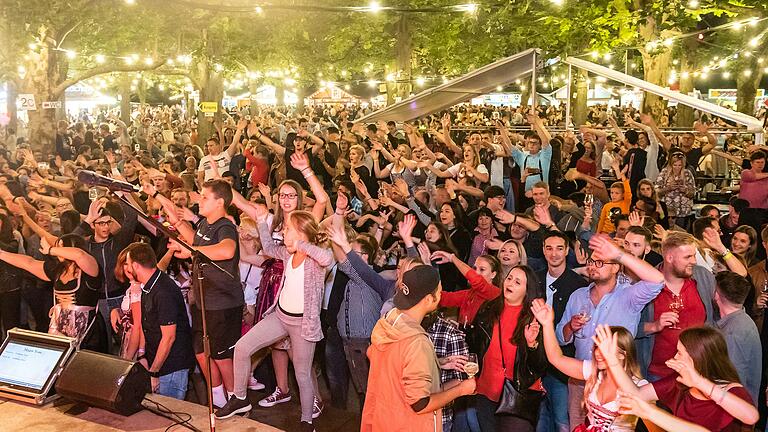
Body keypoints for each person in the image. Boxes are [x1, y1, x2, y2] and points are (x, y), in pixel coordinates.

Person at [216, 208, 332, 431]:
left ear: (300, 233)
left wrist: (303, 245)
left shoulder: (314, 261)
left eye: (288, 229)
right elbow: (268, 248)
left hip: (302, 325)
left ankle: (307, 421)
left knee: (302, 374)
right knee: (242, 347)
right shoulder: (287, 254)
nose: (284, 232)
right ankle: (240, 398)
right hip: (280, 316)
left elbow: (326, 257)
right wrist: (261, 222)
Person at [555, 234, 664, 430]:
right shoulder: (578, 296)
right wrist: (570, 327)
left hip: (617, 384)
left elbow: (657, 280)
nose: (593, 266)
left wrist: (619, 254)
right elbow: (560, 338)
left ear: (615, 267)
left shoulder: (629, 295)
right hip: (581, 379)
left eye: (600, 262)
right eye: (591, 261)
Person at [158, 179, 244, 409]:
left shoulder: (225, 226)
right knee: (200, 351)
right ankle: (218, 398)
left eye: (205, 197)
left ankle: (237, 398)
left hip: (223, 302)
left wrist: (191, 250)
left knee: (221, 355)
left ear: (220, 202)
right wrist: (157, 196)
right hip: (204, 301)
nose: (200, 200)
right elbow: (185, 230)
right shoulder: (206, 224)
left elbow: (227, 250)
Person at [362, 265, 476, 432]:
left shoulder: (388, 321)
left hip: (384, 419)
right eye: (439, 291)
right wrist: (461, 390)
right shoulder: (416, 341)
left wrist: (435, 362)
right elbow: (420, 404)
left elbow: (391, 364)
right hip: (408, 425)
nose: (440, 295)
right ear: (429, 299)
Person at [596, 324, 759, 432]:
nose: (674, 356)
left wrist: (700, 382)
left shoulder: (732, 390)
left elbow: (751, 416)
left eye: (680, 352)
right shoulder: (679, 382)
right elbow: (637, 394)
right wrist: (613, 363)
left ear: (698, 357)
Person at [532, 299, 647, 431]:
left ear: (622, 355)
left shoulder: (639, 387)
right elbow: (556, 358)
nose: (598, 353)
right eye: (597, 346)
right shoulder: (595, 372)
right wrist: (547, 324)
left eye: (605, 348)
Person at [467, 264, 546, 431]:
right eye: (509, 278)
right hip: (486, 391)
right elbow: (474, 345)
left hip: (518, 395)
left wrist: (532, 345)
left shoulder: (535, 318)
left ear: (527, 290)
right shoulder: (488, 309)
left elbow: (540, 366)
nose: (510, 284)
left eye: (517, 282)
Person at [0, 234, 105, 351]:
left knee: (86, 365)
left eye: (61, 247)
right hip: (61, 326)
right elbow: (29, 263)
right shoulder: (58, 270)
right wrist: (2, 254)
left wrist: (51, 250)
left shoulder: (90, 270)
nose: (58, 251)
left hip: (88, 329)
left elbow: (79, 255)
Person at [123, 242, 194, 400]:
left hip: (171, 368)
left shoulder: (163, 292)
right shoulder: (151, 282)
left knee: (171, 417)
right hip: (161, 364)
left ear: (135, 265)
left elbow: (169, 338)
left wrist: (154, 372)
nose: (126, 268)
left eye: (127, 264)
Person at [536, 231, 587, 432]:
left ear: (567, 251)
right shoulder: (535, 279)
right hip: (535, 363)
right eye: (549, 248)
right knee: (540, 421)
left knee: (562, 421)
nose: (554, 254)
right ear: (543, 250)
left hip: (563, 368)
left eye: (559, 248)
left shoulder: (579, 285)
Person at [713, 271, 761, 403]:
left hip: (734, 411)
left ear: (717, 295)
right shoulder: (742, 321)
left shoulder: (734, 333)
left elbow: (731, 381)